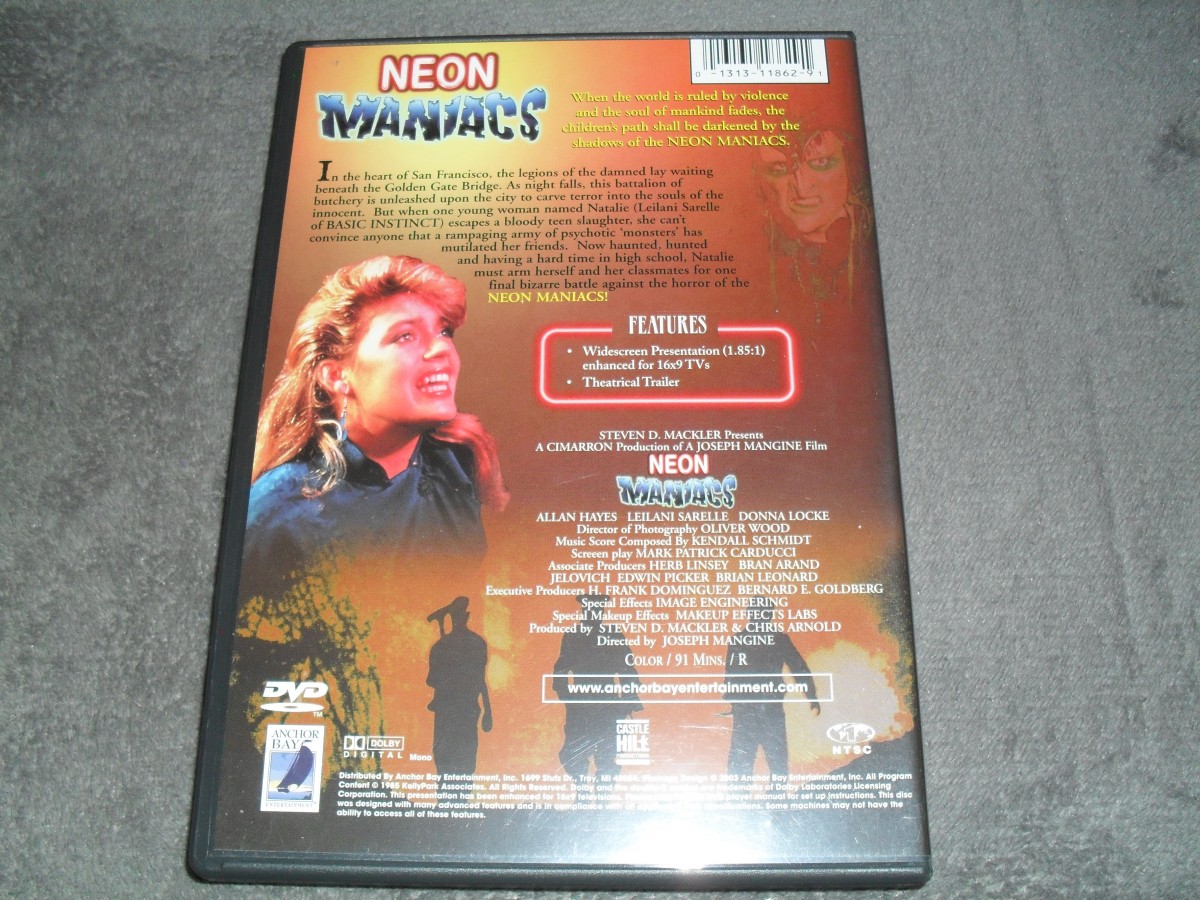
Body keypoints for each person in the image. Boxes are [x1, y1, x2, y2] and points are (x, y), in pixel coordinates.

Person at [246, 254, 508, 572]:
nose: (441, 348)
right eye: (405, 336)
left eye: (444, 332)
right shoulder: (281, 510)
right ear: (336, 376)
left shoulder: (456, 466)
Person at [755, 126, 875, 314]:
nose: (802, 188)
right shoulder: (757, 259)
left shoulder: (871, 255)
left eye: (821, 162)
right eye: (780, 168)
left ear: (850, 166)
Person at [724, 596, 820, 779]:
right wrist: (812, 696)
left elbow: (799, 668)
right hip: (753, 712)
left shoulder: (769, 640)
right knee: (749, 766)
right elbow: (731, 675)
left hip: (765, 711)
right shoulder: (748, 640)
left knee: (770, 766)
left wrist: (812, 696)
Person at [552, 594, 642, 789]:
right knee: (573, 754)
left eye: (597, 609)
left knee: (607, 756)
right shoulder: (573, 636)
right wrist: (568, 698)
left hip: (607, 705)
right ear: (584, 610)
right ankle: (582, 791)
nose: (594, 612)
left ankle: (602, 797)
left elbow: (627, 669)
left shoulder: (613, 635)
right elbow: (561, 669)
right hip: (581, 706)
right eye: (590, 608)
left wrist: (629, 698)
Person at [425, 595, 493, 792]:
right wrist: (488, 711)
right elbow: (480, 680)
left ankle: (450, 799)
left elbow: (431, 680)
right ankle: (458, 799)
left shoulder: (440, 647)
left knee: (446, 758)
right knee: (464, 758)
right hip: (465, 709)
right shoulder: (477, 643)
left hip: (449, 710)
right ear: (466, 616)